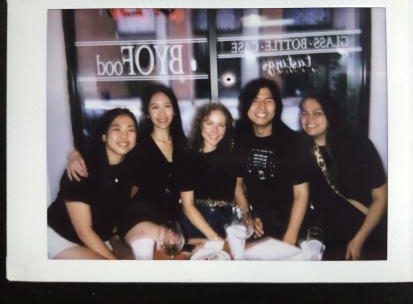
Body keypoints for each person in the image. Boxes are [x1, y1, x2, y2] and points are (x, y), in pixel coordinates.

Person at [66, 84, 190, 254]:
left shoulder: (184, 147)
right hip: (140, 216)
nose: (162, 113)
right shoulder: (136, 147)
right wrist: (74, 155)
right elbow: (101, 147)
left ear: (174, 110)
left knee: (182, 249)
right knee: (162, 247)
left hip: (172, 219)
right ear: (147, 112)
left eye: (167, 106)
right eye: (155, 107)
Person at [299, 91, 387, 260]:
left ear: (331, 115)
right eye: (305, 113)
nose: (309, 119)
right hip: (324, 239)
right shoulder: (302, 149)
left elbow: (381, 197)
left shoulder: (359, 146)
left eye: (318, 113)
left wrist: (358, 240)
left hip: (364, 234)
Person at [47, 108, 137, 259]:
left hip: (98, 237)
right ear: (104, 136)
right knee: (111, 274)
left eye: (131, 130)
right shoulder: (82, 170)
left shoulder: (130, 168)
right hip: (62, 236)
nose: (124, 135)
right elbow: (84, 232)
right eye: (116, 129)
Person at [234, 78, 309, 245]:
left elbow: (301, 194)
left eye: (268, 100)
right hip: (257, 226)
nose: (262, 107)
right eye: (255, 100)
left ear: (277, 106)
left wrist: (290, 238)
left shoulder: (293, 141)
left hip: (292, 227)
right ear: (246, 106)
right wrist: (248, 219)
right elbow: (238, 185)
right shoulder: (240, 139)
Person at [179, 103, 248, 240]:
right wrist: (215, 238)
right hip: (198, 221)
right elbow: (188, 206)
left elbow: (238, 189)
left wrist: (247, 218)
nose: (215, 131)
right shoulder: (187, 157)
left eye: (221, 125)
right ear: (200, 125)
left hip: (228, 219)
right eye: (209, 123)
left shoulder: (233, 155)